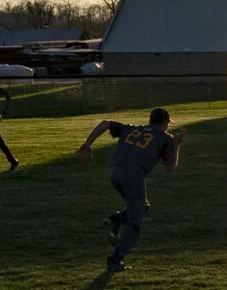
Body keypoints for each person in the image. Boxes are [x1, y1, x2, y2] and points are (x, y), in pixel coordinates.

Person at [76, 107, 183, 271]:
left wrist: (88, 143)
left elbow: (106, 123)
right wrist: (176, 145)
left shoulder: (133, 128)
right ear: (164, 123)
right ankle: (114, 261)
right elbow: (170, 167)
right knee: (135, 224)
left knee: (142, 206)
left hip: (115, 172)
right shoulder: (166, 138)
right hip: (133, 175)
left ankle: (115, 220)